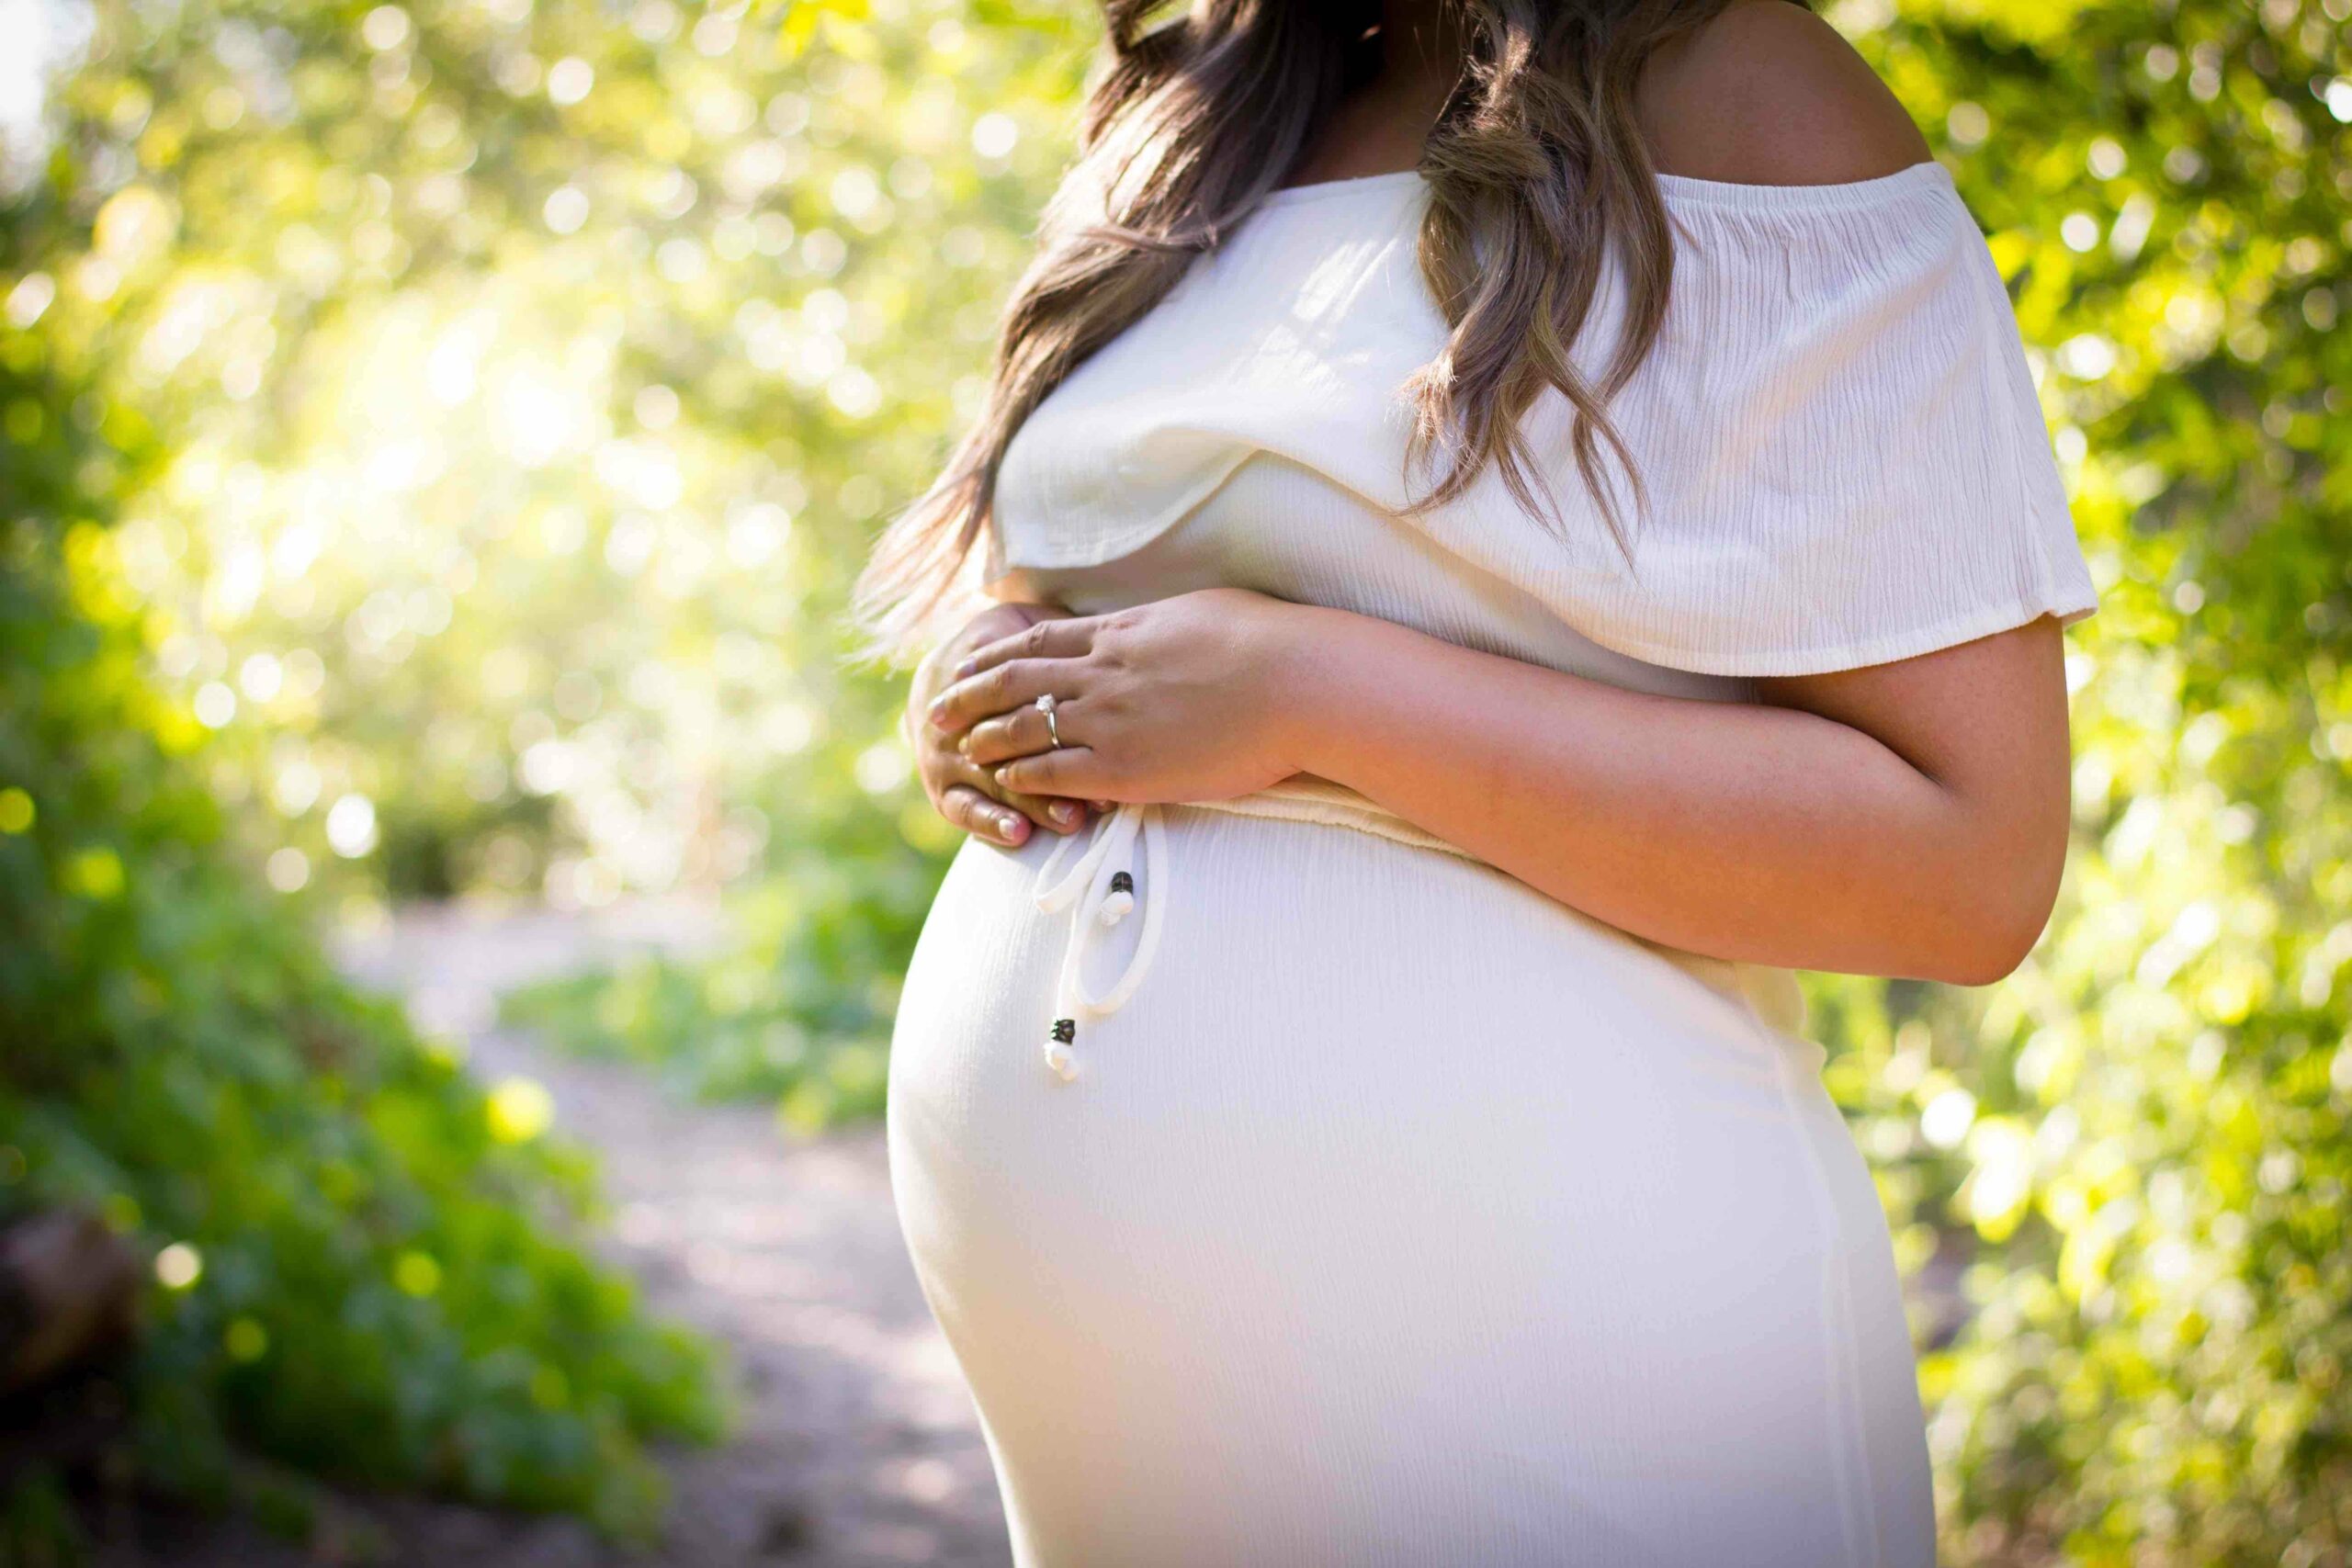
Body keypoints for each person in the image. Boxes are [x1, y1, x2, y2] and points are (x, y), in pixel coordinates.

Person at [866, 2, 2098, 1562]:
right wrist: (995, 682)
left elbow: (1969, 862)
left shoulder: (1747, 96)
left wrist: (1316, 693)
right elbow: (1112, 578)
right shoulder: (1207, 105)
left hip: (1582, 1358)